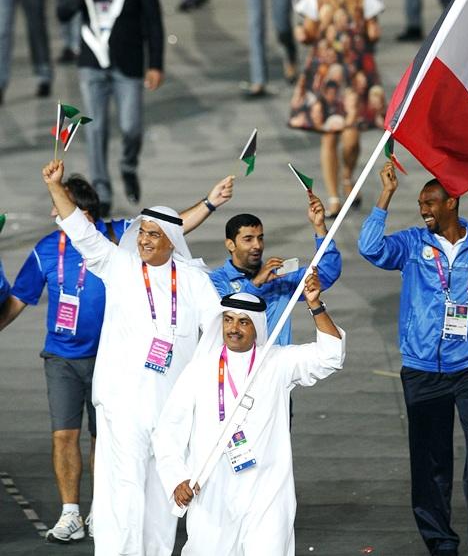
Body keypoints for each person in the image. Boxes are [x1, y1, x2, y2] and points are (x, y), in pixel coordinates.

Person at [0, 172, 233, 542]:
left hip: (172, 409)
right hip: (122, 405)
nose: (142, 239)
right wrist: (53, 188)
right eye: (141, 232)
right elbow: (81, 231)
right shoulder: (118, 266)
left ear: (171, 241)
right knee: (122, 493)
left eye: (153, 234)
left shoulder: (194, 282)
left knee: (160, 499)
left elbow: (223, 334)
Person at [358, 162, 468, 556]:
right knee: (430, 464)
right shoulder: (410, 244)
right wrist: (384, 196)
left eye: (431, 203)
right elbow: (370, 248)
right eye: (420, 204)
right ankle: (441, 544)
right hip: (422, 370)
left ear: (452, 202)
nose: (424, 210)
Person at [151, 271, 345, 555]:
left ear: (256, 326)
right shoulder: (200, 368)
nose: (234, 328)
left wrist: (316, 306)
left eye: (243, 322)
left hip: (267, 493)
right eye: (228, 320)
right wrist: (177, 477)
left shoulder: (277, 363)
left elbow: (331, 356)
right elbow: (169, 429)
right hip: (211, 491)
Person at [57, 0, 164, 216]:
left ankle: (128, 164)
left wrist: (155, 63)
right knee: (97, 127)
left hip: (129, 60)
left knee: (131, 126)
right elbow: (62, 12)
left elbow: (153, 19)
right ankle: (101, 189)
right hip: (92, 60)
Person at [292, 0, 384, 218]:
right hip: (324, 72)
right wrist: (303, 35)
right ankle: (333, 196)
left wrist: (373, 31)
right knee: (329, 136)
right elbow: (310, 33)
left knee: (352, 138)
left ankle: (347, 174)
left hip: (355, 72)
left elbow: (371, 32)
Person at [208, 192, 342, 345]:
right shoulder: (215, 281)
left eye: (260, 238)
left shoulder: (278, 276)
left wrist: (319, 227)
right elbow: (236, 314)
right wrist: (256, 284)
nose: (257, 245)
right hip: (237, 364)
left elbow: (327, 273)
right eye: (248, 239)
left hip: (276, 364)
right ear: (230, 244)